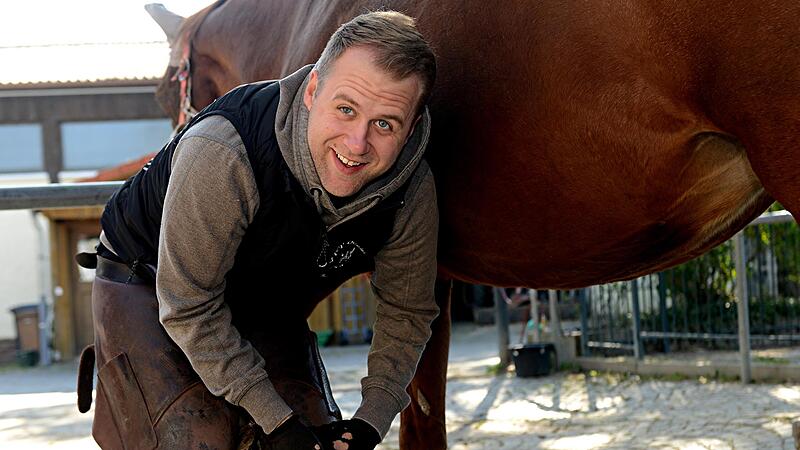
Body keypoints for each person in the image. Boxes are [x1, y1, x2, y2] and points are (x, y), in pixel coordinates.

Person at [78, 11, 438, 450]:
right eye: (345, 109)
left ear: (413, 127)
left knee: (315, 433)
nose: (356, 144)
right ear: (311, 92)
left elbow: (408, 312)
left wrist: (370, 420)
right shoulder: (223, 153)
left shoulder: (412, 188)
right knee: (198, 439)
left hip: (264, 288)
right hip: (152, 279)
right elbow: (189, 306)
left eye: (384, 124)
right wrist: (274, 420)